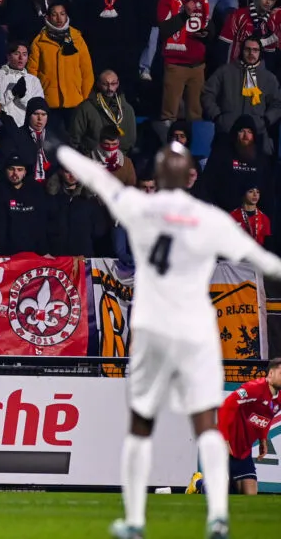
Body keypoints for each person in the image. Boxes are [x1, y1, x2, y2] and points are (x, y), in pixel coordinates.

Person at [55, 143, 281, 539]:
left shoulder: (141, 207)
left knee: (141, 424)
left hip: (152, 327)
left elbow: (97, 179)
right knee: (208, 423)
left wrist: (63, 150)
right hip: (195, 329)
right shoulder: (208, 218)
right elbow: (263, 261)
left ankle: (136, 520)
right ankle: (218, 516)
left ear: (158, 178)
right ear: (190, 176)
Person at [213, 357, 281, 496]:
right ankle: (198, 484)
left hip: (244, 449)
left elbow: (267, 417)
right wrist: (225, 439)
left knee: (250, 495)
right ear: (271, 374)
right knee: (220, 494)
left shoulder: (279, 398)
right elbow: (226, 406)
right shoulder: (254, 388)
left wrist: (263, 440)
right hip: (226, 444)